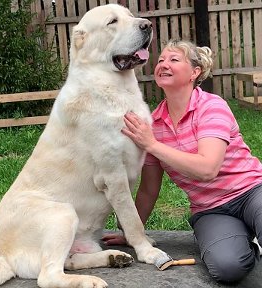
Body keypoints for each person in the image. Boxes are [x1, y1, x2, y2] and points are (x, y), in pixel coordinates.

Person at [102, 39, 262, 283]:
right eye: (161, 60)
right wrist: (133, 232)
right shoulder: (153, 124)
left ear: (195, 73)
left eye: (174, 60)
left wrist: (152, 145)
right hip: (211, 209)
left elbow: (208, 168)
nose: (164, 64)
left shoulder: (211, 106)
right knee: (227, 268)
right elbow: (148, 189)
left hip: (252, 191)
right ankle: (247, 243)